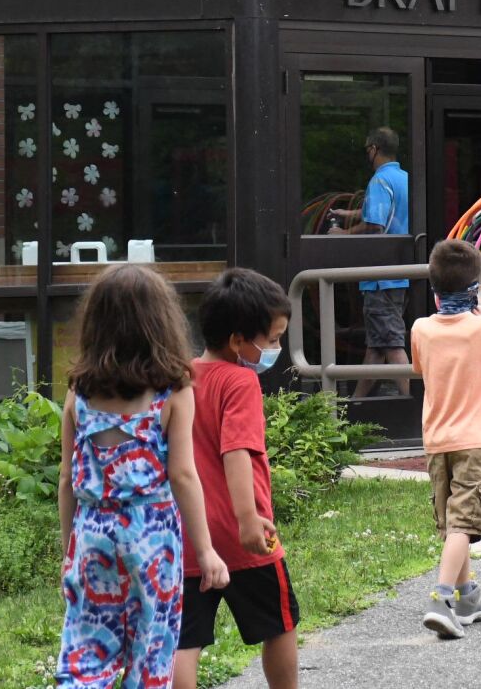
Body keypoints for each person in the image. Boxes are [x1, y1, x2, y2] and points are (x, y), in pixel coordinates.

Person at [58, 265, 229, 687]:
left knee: (86, 649)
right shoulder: (174, 391)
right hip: (152, 539)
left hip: (93, 532)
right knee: (151, 650)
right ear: (161, 322)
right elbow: (184, 475)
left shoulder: (78, 391)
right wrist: (205, 551)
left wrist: (69, 549)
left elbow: (66, 478)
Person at [176, 270, 298, 689]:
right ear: (237, 341)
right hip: (246, 535)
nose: (276, 349)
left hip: (189, 535)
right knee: (279, 625)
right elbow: (237, 451)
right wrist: (248, 518)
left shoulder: (182, 377)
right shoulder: (241, 380)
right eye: (273, 339)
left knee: (183, 641)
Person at [412, 239, 481, 639]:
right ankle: (441, 599)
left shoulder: (421, 328)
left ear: (435, 290)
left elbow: (420, 367)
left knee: (450, 523)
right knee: (464, 523)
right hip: (475, 439)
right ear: (475, 288)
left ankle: (466, 594)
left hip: (436, 440)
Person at [331, 126, 412, 400]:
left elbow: (375, 225)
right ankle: (355, 405)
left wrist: (343, 233)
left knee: (390, 343)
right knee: (377, 345)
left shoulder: (379, 181)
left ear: (374, 149)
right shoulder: (405, 179)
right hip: (400, 273)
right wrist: (350, 212)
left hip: (380, 276)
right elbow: (389, 211)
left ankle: (419, 407)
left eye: (368, 150)